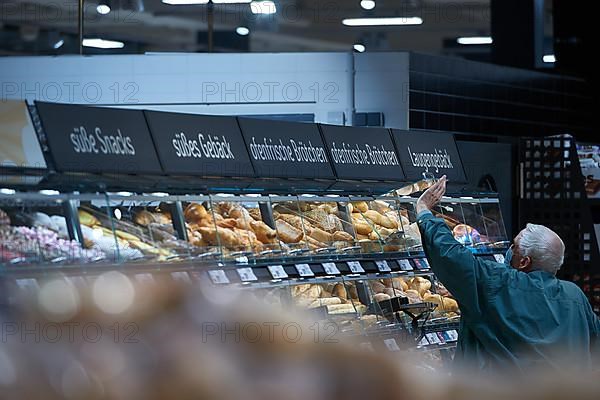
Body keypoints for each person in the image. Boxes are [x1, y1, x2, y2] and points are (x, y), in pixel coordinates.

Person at [416, 175, 600, 373]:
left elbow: (452, 256)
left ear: (524, 262)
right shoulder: (575, 296)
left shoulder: (501, 283)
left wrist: (424, 212)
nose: (510, 249)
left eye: (515, 245)